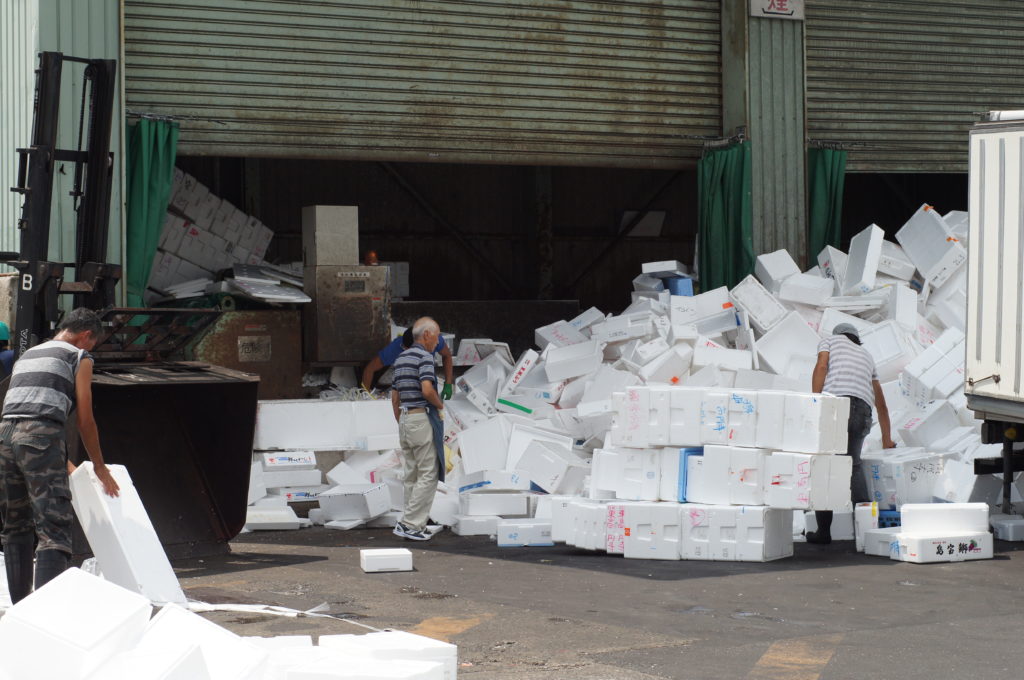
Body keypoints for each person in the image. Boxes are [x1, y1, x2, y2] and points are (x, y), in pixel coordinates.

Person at [0, 308, 120, 602]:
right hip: (41, 436)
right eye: (93, 343)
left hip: (4, 436)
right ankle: (46, 613)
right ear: (85, 336)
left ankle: (22, 611)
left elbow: (24, 412)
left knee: (15, 526)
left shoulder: (29, 354)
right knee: (53, 527)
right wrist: (100, 467)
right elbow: (85, 420)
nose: (92, 349)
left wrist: (61, 458)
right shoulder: (79, 357)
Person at [808, 322, 896, 544]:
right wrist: (887, 439)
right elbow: (881, 402)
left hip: (836, 405)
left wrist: (814, 403)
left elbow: (821, 367)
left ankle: (824, 532)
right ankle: (867, 532)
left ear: (838, 334)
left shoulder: (829, 341)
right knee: (853, 466)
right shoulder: (867, 355)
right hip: (862, 410)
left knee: (824, 465)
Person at [391, 317, 445, 541]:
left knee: (412, 473)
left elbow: (395, 397)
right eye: (437, 335)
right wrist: (440, 406)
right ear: (426, 335)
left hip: (405, 418)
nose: (439, 341)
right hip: (420, 417)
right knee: (428, 473)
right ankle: (411, 524)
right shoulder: (425, 357)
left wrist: (403, 421)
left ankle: (411, 522)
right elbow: (426, 389)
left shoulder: (401, 358)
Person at [362, 327, 454, 399]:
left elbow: (447, 356)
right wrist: (365, 395)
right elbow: (369, 369)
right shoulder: (396, 348)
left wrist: (448, 383)